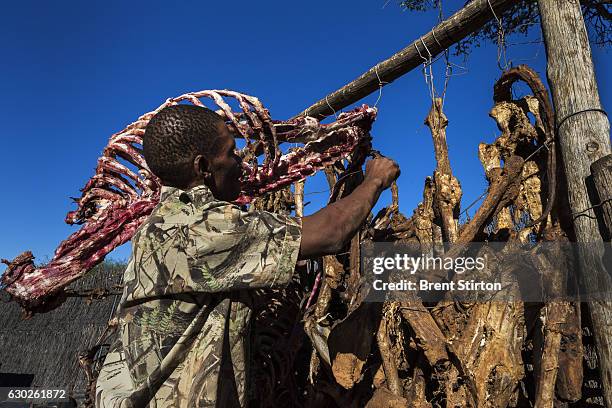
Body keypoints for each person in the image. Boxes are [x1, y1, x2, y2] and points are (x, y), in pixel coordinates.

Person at [95, 104, 399, 408]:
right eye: (230, 153)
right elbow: (332, 233)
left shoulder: (155, 226)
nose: (241, 161)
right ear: (203, 167)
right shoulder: (203, 227)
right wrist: (374, 181)